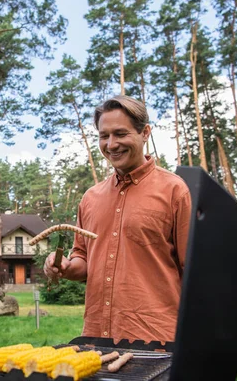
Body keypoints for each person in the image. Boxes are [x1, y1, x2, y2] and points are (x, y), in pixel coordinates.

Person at [44, 95, 192, 344]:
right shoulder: (90, 198)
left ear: (145, 133)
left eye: (121, 134)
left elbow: (193, 271)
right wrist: (67, 267)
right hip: (95, 338)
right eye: (104, 136)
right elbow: (83, 259)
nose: (111, 145)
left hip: (157, 340)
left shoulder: (175, 191)